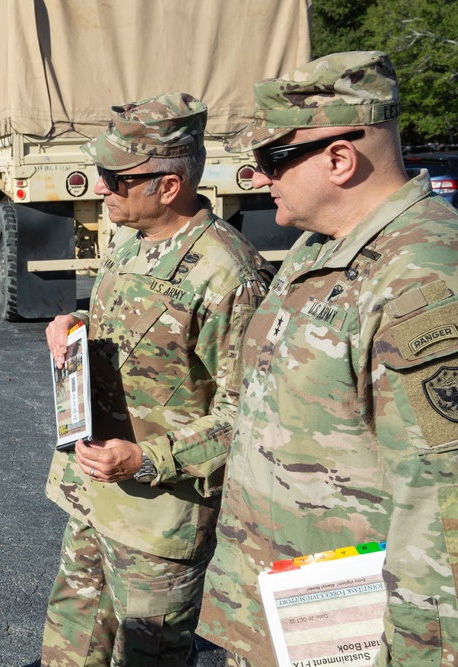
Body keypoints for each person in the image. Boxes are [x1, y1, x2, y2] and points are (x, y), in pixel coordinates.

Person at [198, 51, 458, 665]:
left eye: (271, 159)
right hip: (289, 619)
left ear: (340, 160)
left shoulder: (421, 279)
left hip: (361, 638)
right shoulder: (317, 250)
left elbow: (441, 516)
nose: (260, 178)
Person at [42, 92, 273, 666]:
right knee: (70, 643)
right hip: (95, 496)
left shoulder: (230, 274)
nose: (101, 188)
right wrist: (77, 326)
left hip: (159, 517)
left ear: (167, 187)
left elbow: (248, 416)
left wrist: (148, 459)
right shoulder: (129, 241)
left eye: (115, 178)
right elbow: (133, 332)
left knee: (150, 655)